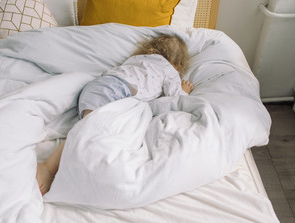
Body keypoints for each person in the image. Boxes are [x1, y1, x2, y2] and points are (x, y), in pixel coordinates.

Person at [36, 34, 194, 195]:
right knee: (90, 132)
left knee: (87, 129)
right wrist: (185, 91)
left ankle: (69, 165)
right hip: (117, 90)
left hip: (96, 87)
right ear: (178, 64)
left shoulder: (136, 60)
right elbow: (175, 98)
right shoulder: (169, 69)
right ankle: (48, 168)